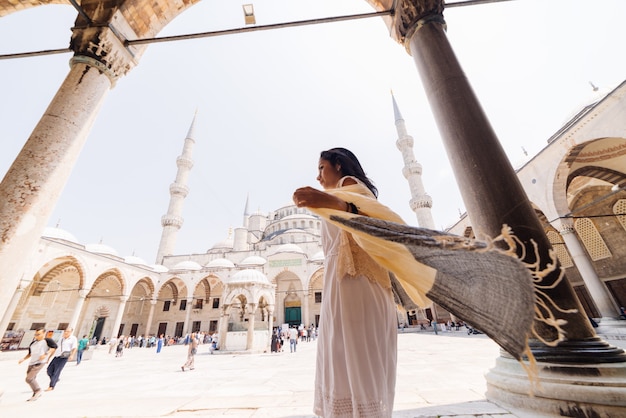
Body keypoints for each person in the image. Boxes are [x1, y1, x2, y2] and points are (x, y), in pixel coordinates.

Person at [293, 147, 399, 417]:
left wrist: (331, 202)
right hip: (339, 281)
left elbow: (374, 222)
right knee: (340, 355)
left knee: (356, 355)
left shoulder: (348, 185)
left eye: (321, 168)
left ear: (338, 165)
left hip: (358, 281)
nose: (318, 176)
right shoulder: (334, 193)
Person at [18, 328, 56, 401]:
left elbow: (54, 348)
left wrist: (46, 355)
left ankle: (37, 390)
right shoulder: (33, 343)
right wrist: (23, 359)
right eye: (35, 334)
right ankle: (35, 392)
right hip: (32, 362)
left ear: (44, 333)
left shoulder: (47, 340)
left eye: (38, 334)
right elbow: (30, 353)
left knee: (29, 378)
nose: (36, 336)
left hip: (40, 362)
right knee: (30, 378)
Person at [46, 327, 77, 391]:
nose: (66, 332)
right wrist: (49, 357)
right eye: (65, 331)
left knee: (56, 371)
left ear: (71, 332)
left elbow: (74, 347)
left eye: (68, 331)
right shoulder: (61, 338)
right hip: (57, 356)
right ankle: (56, 379)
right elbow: (56, 348)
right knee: (49, 370)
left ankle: (51, 386)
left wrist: (72, 355)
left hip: (64, 357)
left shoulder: (73, 339)